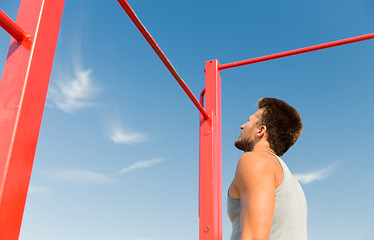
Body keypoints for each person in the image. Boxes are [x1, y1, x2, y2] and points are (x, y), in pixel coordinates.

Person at [227, 97, 307, 240]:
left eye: (249, 121)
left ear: (260, 131)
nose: (242, 126)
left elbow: (254, 237)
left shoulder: (255, 160)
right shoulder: (293, 184)